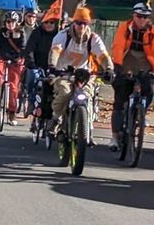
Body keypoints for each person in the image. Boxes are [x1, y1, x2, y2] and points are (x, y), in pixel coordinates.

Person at [108, 2, 154, 152]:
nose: (142, 20)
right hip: (127, 59)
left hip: (146, 61)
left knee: (151, 90)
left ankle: (141, 113)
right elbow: (118, 46)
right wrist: (117, 65)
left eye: (145, 17)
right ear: (133, 15)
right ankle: (115, 136)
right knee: (120, 97)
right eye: (139, 16)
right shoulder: (125, 28)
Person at [48, 7, 114, 135]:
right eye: (79, 23)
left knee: (87, 97)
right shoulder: (63, 36)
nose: (81, 26)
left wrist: (109, 68)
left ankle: (86, 130)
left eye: (85, 23)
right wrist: (52, 66)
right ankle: (56, 118)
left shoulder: (93, 39)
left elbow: (103, 56)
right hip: (63, 74)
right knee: (65, 93)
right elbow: (55, 51)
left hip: (85, 76)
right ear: (74, 22)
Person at [0, 11, 27, 125]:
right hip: (1, 57)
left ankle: (12, 113)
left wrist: (22, 58)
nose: (10, 24)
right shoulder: (0, 32)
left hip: (15, 60)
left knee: (14, 88)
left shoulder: (21, 33)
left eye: (13, 22)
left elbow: (24, 48)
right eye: (8, 22)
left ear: (17, 22)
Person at [23, 7, 60, 119]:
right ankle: (31, 101)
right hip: (38, 65)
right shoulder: (36, 33)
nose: (49, 25)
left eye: (52, 23)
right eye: (46, 22)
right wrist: (31, 63)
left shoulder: (60, 35)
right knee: (33, 76)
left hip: (56, 68)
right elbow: (29, 50)